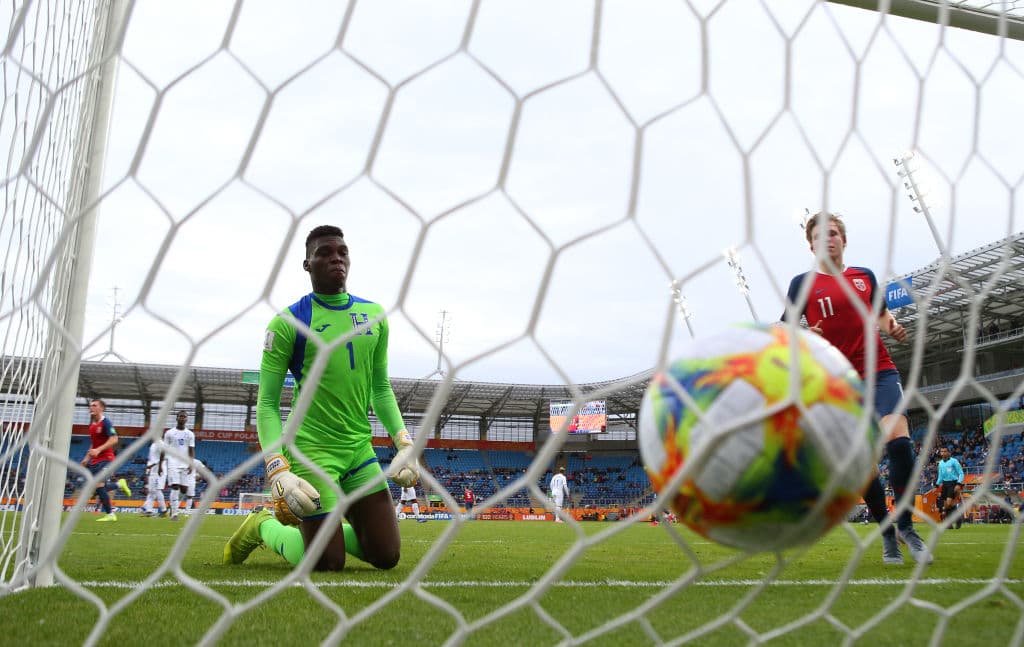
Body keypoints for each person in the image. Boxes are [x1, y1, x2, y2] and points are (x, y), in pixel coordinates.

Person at [223, 225, 418, 571]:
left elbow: (380, 387)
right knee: (327, 564)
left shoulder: (374, 316)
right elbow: (267, 403)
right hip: (311, 453)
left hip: (358, 449)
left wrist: (404, 443)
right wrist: (276, 466)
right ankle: (261, 525)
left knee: (387, 556)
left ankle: (329, 530)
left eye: (342, 252)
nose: (335, 259)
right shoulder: (287, 323)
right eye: (324, 253)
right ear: (307, 264)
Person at [783, 212, 931, 565]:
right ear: (810, 245)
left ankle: (907, 525)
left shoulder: (863, 277)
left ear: (843, 240)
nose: (827, 240)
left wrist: (891, 325)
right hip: (839, 384)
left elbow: (880, 314)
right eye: (819, 237)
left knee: (899, 443)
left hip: (879, 371)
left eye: (832, 234)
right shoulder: (801, 284)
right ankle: (887, 534)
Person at [80, 398, 132, 522]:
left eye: (94, 405)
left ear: (101, 408)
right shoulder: (92, 426)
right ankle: (120, 484)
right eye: (90, 405)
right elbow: (93, 443)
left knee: (99, 485)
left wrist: (99, 450)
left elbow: (114, 439)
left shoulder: (106, 422)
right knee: (98, 488)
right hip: (95, 460)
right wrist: (86, 458)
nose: (91, 407)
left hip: (107, 459)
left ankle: (110, 514)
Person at [161, 410, 195, 521]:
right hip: (172, 463)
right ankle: (174, 513)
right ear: (177, 418)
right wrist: (161, 463)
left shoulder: (190, 434)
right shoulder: (169, 433)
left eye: (184, 417)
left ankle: (173, 505)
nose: (182, 418)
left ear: (187, 419)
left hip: (184, 463)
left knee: (184, 490)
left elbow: (191, 450)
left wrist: (191, 464)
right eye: (180, 416)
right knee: (175, 486)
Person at [935, 446, 964, 528]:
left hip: (953, 483)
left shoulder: (954, 461)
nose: (943, 453)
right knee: (947, 505)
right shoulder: (940, 463)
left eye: (944, 451)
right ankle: (955, 520)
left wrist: (958, 484)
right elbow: (940, 476)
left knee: (948, 504)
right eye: (941, 451)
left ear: (948, 453)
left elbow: (961, 473)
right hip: (945, 484)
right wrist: (936, 485)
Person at [141, 436, 168, 517]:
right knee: (151, 491)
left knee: (157, 490)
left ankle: (164, 510)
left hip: (159, 471)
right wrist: (148, 469)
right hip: (153, 471)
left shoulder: (160, 443)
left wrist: (156, 466)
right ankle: (148, 511)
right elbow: (151, 458)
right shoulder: (153, 444)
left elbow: (163, 455)